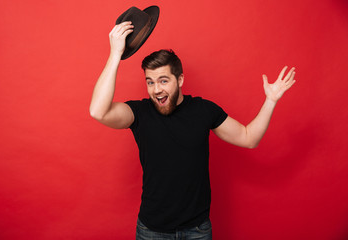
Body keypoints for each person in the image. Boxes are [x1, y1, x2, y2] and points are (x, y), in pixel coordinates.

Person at [89, 21, 296, 240]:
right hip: (152, 231)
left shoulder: (204, 110)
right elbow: (98, 111)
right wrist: (115, 54)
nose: (156, 89)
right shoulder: (139, 112)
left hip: (197, 231)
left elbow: (249, 138)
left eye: (163, 80)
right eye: (150, 82)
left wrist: (271, 100)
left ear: (180, 80)